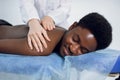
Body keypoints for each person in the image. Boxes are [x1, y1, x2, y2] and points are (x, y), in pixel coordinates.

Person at [0, 13, 112, 57]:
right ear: (72, 26)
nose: (73, 49)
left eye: (83, 50)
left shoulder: (62, 34)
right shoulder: (44, 45)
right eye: (75, 39)